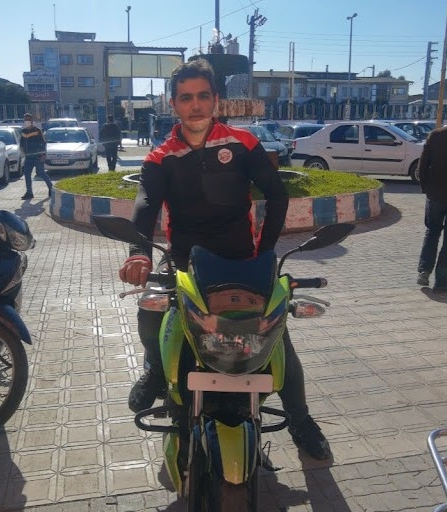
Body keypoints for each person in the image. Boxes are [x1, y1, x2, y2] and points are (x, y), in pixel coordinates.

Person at [118, 58, 331, 460]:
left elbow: (277, 193)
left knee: (278, 338)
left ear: (216, 100)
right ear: (173, 104)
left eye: (203, 96)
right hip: (185, 261)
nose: (195, 105)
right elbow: (145, 205)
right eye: (186, 98)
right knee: (150, 310)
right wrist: (138, 254)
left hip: (242, 260)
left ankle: (301, 420)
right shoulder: (161, 156)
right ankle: (155, 372)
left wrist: (266, 251)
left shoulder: (242, 143)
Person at [416, 122, 447, 292]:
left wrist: (426, 188)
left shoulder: (436, 135)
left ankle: (424, 271)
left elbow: (422, 164)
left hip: (435, 195)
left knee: (432, 233)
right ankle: (442, 281)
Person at [19, 113, 52, 200]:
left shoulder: (37, 130)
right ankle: (29, 192)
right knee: (27, 174)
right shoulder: (23, 131)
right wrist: (22, 152)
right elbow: (22, 143)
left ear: (32, 120)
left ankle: (51, 188)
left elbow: (43, 143)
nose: (27, 121)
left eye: (28, 119)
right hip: (28, 157)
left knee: (41, 173)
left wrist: (44, 154)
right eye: (25, 120)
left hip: (38, 156)